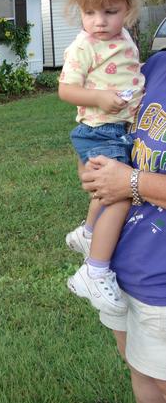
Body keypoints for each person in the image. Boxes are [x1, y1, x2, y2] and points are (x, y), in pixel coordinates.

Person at [79, 50, 166, 403]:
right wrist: (94, 160)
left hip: (161, 282)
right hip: (125, 268)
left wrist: (132, 182)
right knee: (140, 373)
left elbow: (129, 178)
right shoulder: (155, 67)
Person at [58, 0, 144, 315]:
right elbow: (66, 90)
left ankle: (88, 232)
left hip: (119, 128)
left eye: (110, 12)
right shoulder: (84, 46)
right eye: (90, 13)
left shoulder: (123, 38)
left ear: (128, 10)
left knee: (111, 189)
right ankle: (94, 270)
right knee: (119, 195)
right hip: (100, 129)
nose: (100, 21)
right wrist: (99, 97)